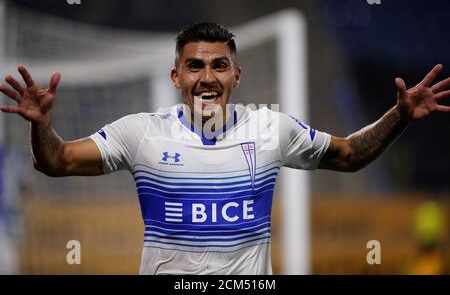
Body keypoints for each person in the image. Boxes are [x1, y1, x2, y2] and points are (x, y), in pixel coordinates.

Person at [1, 22, 449, 275]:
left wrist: (399, 116)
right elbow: (55, 161)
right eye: (194, 66)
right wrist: (42, 126)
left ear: (237, 75)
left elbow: (350, 154)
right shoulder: (140, 134)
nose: (207, 77)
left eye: (219, 66)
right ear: (176, 77)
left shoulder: (271, 128)